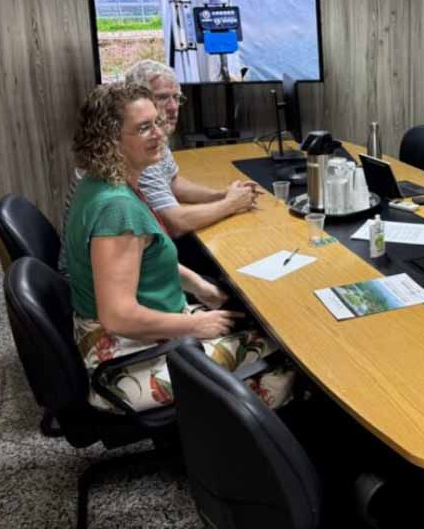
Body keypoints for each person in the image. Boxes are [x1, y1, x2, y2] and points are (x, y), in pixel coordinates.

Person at [65, 82, 293, 412]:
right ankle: (248, 451)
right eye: (144, 128)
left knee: (247, 316)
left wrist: (200, 286)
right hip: (128, 360)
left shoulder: (102, 182)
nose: (159, 133)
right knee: (286, 350)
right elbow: (118, 316)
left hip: (136, 333)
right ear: (110, 139)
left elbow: (143, 257)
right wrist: (194, 325)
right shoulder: (117, 208)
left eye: (158, 122)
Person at [123, 59, 259, 238]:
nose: (173, 107)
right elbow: (175, 223)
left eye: (176, 97)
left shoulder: (155, 135)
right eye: (163, 97)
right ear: (138, 101)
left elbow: (172, 182)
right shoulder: (139, 146)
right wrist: (231, 204)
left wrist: (221, 195)